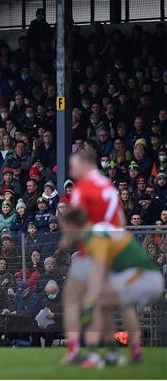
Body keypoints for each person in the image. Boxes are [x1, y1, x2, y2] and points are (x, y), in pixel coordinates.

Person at [60, 208, 164, 368]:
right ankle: (127, 352)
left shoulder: (95, 238)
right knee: (104, 304)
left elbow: (98, 272)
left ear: (72, 225)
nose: (64, 231)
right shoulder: (95, 233)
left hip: (144, 278)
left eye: (64, 226)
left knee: (98, 302)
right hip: (138, 276)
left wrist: (89, 300)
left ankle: (96, 356)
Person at [59, 149, 125, 364]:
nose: (72, 170)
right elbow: (121, 220)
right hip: (110, 251)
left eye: (74, 166)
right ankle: (112, 353)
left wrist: (66, 237)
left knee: (73, 299)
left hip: (90, 252)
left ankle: (80, 351)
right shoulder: (109, 187)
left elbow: (77, 219)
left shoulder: (82, 189)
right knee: (101, 304)